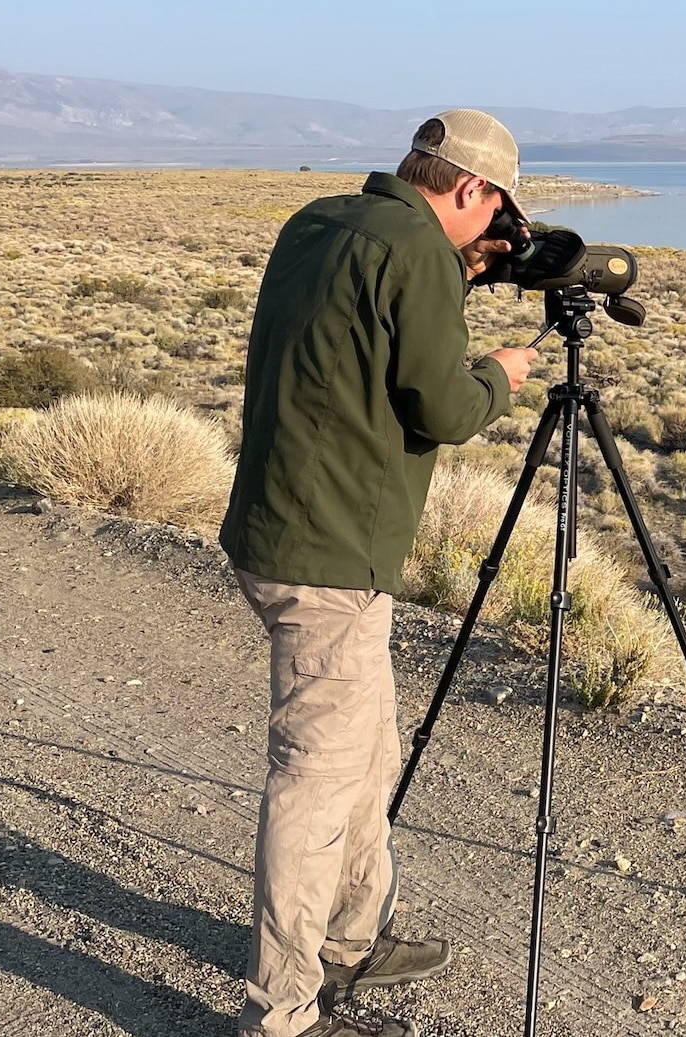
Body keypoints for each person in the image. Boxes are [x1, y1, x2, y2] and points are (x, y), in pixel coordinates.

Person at [219, 109, 542, 1037]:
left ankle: (353, 939)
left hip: (279, 526)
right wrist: (505, 373)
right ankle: (281, 1011)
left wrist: (459, 281)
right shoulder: (420, 256)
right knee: (315, 780)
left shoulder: (321, 220)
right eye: (496, 211)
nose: (498, 232)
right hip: (330, 557)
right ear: (471, 188)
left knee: (369, 751)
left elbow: (371, 340)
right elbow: (442, 403)